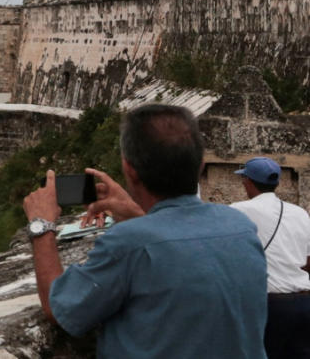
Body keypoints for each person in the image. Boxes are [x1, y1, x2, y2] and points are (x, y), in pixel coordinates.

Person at [23, 104, 267, 358]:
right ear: (201, 166)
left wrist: (42, 225)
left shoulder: (129, 243)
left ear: (129, 169)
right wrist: (137, 214)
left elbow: (60, 308)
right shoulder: (241, 227)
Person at [231, 157, 310, 359]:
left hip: (270, 304)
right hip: (304, 301)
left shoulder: (238, 210)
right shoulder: (300, 213)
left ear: (247, 182)